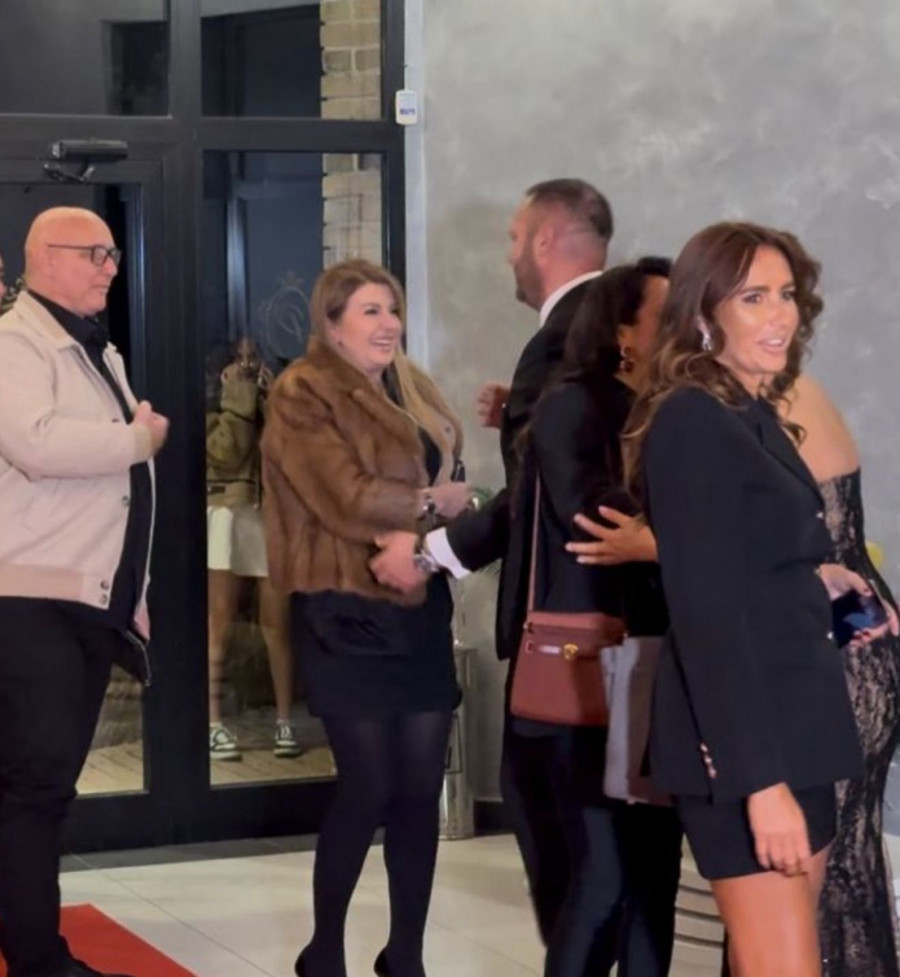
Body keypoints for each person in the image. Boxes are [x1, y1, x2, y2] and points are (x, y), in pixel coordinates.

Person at [625, 221, 895, 977]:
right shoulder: (692, 419)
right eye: (753, 298)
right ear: (704, 313)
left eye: (786, 294)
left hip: (796, 719)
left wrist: (820, 579)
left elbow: (744, 561)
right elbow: (706, 615)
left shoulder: (745, 410)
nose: (780, 315)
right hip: (750, 744)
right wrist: (759, 783)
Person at [372, 179, 617, 969]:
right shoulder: (609, 327)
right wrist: (519, 409)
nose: (509, 255)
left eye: (514, 237)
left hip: (569, 630)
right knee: (609, 841)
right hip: (617, 623)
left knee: (560, 827)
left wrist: (431, 551)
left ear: (545, 240)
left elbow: (543, 495)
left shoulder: (562, 341)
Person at [260, 259, 469, 977]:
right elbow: (343, 495)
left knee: (418, 791)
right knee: (368, 786)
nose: (388, 324)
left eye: (393, 309)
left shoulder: (409, 387)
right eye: (370, 311)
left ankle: (405, 953)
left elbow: (448, 474)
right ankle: (324, 950)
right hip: (343, 607)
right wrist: (431, 506)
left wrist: (447, 513)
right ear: (332, 324)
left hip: (419, 606)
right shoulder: (302, 391)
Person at [0, 206, 168, 977]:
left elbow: (117, 496)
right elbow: (35, 443)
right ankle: (40, 960)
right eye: (94, 253)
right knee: (36, 790)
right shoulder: (17, 342)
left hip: (82, 599)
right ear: (43, 256)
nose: (110, 267)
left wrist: (133, 589)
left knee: (38, 788)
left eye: (112, 253)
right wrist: (137, 437)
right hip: (35, 602)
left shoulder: (89, 344)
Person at [518, 258, 682, 977]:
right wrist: (685, 528)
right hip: (590, 666)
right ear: (623, 332)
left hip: (659, 660)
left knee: (655, 871)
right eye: (667, 316)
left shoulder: (673, 406)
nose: (686, 330)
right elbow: (594, 516)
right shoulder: (575, 403)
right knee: (606, 870)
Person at [781, 374, 900, 977]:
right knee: (849, 862)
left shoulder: (743, 404)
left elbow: (737, 555)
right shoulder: (798, 388)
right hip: (863, 632)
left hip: (831, 640)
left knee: (800, 884)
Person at [206, 337, 298, 761]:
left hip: (270, 513)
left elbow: (294, 454)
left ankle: (285, 720)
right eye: (239, 357)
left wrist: (276, 398)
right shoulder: (211, 397)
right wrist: (237, 397)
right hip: (227, 510)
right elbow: (226, 453)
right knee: (218, 620)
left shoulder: (277, 393)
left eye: (253, 357)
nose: (246, 364)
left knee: (276, 624)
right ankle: (212, 722)